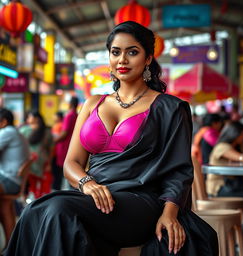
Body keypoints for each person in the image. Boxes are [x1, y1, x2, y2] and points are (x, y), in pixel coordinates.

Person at [3, 21, 218, 256]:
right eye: (116, 52)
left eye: (132, 52)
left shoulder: (171, 108)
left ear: (148, 58)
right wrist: (88, 184)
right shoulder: (93, 103)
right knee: (35, 210)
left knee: (57, 207)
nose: (122, 60)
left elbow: (178, 170)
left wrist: (169, 214)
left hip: (140, 200)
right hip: (94, 196)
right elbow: (71, 163)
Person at [0, 108, 29, 243]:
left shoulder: (7, 132)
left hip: (9, 181)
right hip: (14, 181)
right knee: (5, 205)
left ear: (4, 122)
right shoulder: (16, 132)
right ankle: (10, 246)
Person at [206, 121, 243, 198]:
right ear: (235, 134)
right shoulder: (222, 147)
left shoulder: (237, 146)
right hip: (219, 187)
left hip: (232, 184)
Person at [19, 110, 53, 199]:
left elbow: (51, 149)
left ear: (37, 119)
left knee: (43, 188)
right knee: (30, 186)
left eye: (30, 117)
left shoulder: (46, 132)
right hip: (28, 164)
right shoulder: (24, 130)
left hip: (42, 164)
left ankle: (40, 203)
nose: (28, 119)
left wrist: (49, 163)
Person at [53, 96, 78, 189]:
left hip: (64, 148)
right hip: (73, 147)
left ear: (70, 104)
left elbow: (64, 133)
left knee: (62, 173)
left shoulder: (69, 116)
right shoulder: (77, 115)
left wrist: (53, 142)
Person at [50, 111, 64, 190]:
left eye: (55, 115)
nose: (53, 117)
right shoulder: (56, 125)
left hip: (57, 152)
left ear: (58, 117)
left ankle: (56, 189)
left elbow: (56, 138)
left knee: (57, 173)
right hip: (55, 151)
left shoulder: (60, 125)